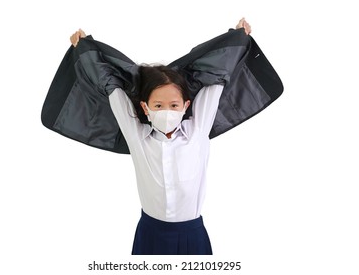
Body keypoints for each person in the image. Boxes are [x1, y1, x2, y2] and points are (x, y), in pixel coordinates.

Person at [43, 18, 283, 255]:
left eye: (173, 104)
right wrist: (85, 49)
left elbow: (217, 78)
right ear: (145, 108)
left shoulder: (197, 132)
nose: (166, 110)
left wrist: (237, 37)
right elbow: (112, 88)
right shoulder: (137, 136)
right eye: (158, 105)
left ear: (185, 106)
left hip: (192, 235)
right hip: (150, 233)